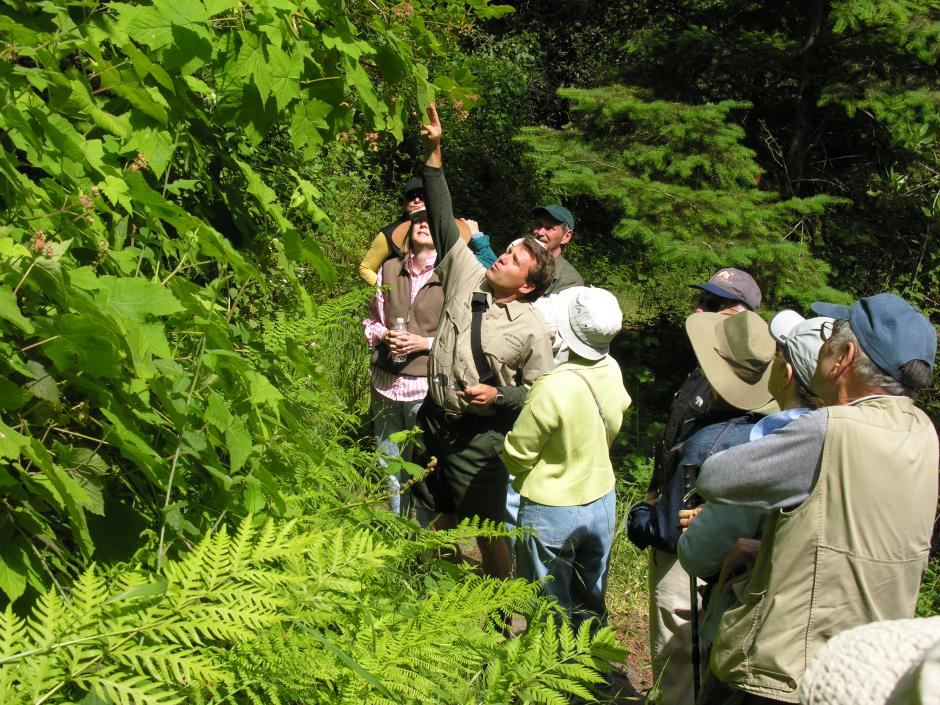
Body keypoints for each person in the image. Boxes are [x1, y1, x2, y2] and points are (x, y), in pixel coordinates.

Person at [698, 292, 938, 704]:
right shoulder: (922, 431)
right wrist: (778, 547)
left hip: (784, 671)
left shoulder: (830, 428)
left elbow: (717, 478)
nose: (824, 344)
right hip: (868, 670)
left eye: (830, 336)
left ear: (844, 356)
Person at [412, 103, 556, 579]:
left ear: (528, 283)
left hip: (480, 439)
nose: (503, 258)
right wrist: (434, 152)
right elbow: (440, 214)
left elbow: (542, 397)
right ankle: (438, 600)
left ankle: (500, 618)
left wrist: (500, 396)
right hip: (433, 420)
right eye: (509, 249)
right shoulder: (466, 271)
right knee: (434, 519)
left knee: (490, 533)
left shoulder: (532, 326)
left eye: (514, 260)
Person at [630, 267, 763, 705]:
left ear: (738, 316)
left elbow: (710, 457)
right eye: (700, 301)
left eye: (709, 305)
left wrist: (652, 518)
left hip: (692, 532)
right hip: (679, 518)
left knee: (680, 636)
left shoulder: (747, 381)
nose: (697, 310)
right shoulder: (707, 365)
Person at [677, 311, 831, 665]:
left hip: (753, 638)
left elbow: (697, 553)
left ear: (786, 373)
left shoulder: (768, 449)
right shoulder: (848, 440)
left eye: (778, 357)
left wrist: (700, 522)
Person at [503, 286, 631, 633]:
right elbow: (618, 414)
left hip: (551, 507)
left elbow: (518, 452)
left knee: (548, 601)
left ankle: (547, 679)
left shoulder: (552, 386)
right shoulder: (612, 368)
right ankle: (594, 671)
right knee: (591, 593)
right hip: (603, 498)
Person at [362, 207, 441, 516]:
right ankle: (398, 528)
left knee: (422, 465)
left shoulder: (449, 274)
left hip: (423, 388)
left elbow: (458, 336)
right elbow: (370, 321)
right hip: (384, 381)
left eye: (430, 221)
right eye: (418, 220)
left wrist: (423, 343)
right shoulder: (390, 267)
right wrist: (383, 335)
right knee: (389, 461)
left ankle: (420, 540)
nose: (423, 224)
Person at [358, 177, 496, 284]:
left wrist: (477, 237)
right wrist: (387, 292)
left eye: (422, 196)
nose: (416, 200)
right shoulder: (389, 233)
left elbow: (485, 267)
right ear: (405, 202)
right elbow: (365, 268)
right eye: (411, 196)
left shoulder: (447, 231)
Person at [531, 204, 584, 294]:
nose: (540, 232)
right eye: (539, 225)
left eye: (549, 228)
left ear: (566, 236)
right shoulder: (515, 257)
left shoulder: (570, 281)